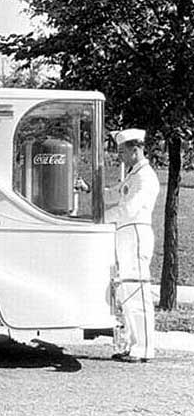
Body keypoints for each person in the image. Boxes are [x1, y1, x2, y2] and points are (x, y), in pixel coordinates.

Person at [105, 128, 160, 363]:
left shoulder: (145, 177)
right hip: (126, 233)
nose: (120, 156)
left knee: (137, 290)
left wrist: (102, 218)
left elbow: (128, 209)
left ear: (135, 149)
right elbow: (113, 194)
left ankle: (144, 347)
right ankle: (131, 343)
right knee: (127, 292)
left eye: (122, 151)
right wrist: (90, 189)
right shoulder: (133, 175)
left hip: (136, 233)